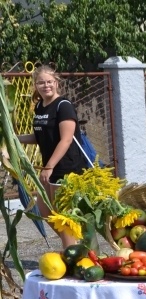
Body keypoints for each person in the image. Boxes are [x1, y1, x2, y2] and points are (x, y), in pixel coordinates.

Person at [17, 65, 88, 248]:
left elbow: (65, 140)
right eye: (41, 82)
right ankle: (74, 246)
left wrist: (49, 167)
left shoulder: (63, 106)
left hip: (66, 167)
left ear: (56, 83)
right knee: (46, 211)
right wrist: (15, 139)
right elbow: (40, 136)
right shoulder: (40, 106)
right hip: (49, 168)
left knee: (62, 216)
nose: (45, 85)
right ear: (35, 85)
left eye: (49, 82)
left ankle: (71, 252)